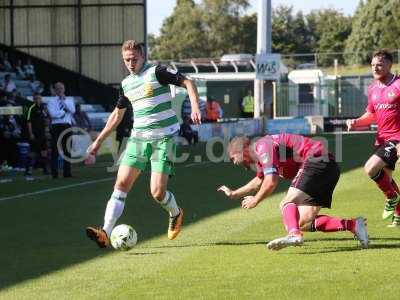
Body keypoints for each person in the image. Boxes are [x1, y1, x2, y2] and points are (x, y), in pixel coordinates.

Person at [85, 40, 201, 248]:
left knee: (157, 192)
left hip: (163, 138)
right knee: (120, 185)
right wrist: (97, 143)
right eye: (126, 60)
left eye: (134, 59)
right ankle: (105, 232)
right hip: (138, 139)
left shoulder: (156, 72)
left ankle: (176, 213)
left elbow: (188, 83)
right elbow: (116, 116)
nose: (130, 63)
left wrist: (194, 107)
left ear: (142, 56)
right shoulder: (126, 84)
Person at [217, 134, 369, 251]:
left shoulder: (262, 146)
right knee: (303, 221)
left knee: (286, 202)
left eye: (233, 158)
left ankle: (294, 235)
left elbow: (270, 182)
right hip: (328, 168)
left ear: (242, 149)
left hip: (316, 159)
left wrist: (255, 200)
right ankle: (354, 225)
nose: (234, 162)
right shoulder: (261, 155)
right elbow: (259, 181)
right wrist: (234, 194)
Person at [347, 49, 400, 227]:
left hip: (396, 138)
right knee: (386, 178)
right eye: (372, 65)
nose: (375, 68)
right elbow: (371, 115)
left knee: (370, 168)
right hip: (381, 139)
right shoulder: (372, 89)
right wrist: (356, 122)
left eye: (379, 64)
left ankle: (392, 198)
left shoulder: (398, 84)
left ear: (389, 65)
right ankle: (399, 213)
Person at [47, 82, 75, 178]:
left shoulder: (69, 100)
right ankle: (54, 174)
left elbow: (72, 111)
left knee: (67, 150)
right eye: (58, 88)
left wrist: (64, 104)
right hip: (56, 126)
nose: (60, 90)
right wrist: (63, 112)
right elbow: (52, 115)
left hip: (67, 126)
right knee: (55, 149)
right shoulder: (51, 101)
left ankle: (67, 173)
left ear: (64, 89)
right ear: (55, 90)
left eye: (61, 88)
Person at [26, 93, 49, 175]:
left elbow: (46, 119)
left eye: (39, 98)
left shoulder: (43, 108)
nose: (38, 100)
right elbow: (29, 122)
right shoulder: (31, 108)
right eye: (36, 98)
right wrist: (31, 133)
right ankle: (28, 170)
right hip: (35, 133)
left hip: (42, 133)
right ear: (33, 99)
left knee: (44, 151)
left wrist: (46, 130)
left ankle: (45, 169)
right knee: (33, 152)